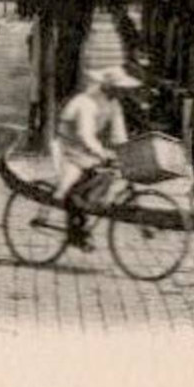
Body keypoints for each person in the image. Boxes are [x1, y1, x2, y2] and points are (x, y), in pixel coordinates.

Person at [53, 65, 139, 250]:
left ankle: (82, 217)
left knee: (103, 176)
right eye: (118, 88)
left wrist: (126, 152)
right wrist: (102, 153)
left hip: (84, 147)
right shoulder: (87, 102)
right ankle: (75, 232)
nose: (121, 92)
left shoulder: (114, 104)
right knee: (76, 189)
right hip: (68, 144)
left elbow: (119, 134)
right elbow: (85, 134)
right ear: (107, 86)